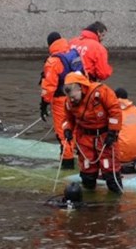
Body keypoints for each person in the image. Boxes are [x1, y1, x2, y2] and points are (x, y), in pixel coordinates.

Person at [61, 71, 122, 193]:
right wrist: (67, 130)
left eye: (73, 97)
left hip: (104, 136)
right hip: (84, 138)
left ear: (80, 88)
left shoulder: (101, 92)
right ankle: (89, 193)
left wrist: (113, 132)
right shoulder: (69, 102)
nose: (72, 100)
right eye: (70, 97)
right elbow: (68, 119)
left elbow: (114, 110)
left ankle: (115, 195)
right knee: (87, 172)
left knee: (109, 169)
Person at [39, 32, 84, 170]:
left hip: (61, 101)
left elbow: (49, 86)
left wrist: (44, 104)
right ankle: (81, 159)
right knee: (76, 129)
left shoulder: (53, 61)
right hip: (77, 97)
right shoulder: (73, 54)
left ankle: (67, 163)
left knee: (64, 131)